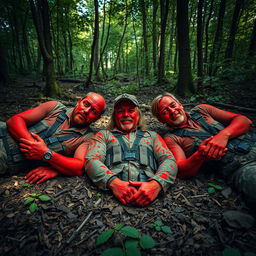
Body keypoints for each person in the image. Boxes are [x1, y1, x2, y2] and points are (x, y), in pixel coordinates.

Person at [151, 92, 256, 204]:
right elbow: (181, 170)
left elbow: (244, 121)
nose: (172, 111)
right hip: (242, 167)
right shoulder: (172, 138)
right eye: (165, 112)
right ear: (161, 120)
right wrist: (199, 156)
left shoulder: (202, 110)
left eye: (173, 105)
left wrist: (224, 135)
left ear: (180, 104)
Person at [85, 93, 177, 206]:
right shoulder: (103, 135)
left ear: (138, 114)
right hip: (111, 201)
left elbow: (168, 160)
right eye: (120, 111)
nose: (126, 114)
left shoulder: (152, 136)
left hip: (152, 201)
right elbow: (92, 159)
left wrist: (157, 184)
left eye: (131, 110)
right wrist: (114, 183)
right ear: (114, 116)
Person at [0, 92, 106, 184]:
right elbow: (15, 120)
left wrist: (48, 156)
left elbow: (79, 167)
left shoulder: (87, 138)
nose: (86, 111)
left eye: (94, 111)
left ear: (97, 118)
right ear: (78, 102)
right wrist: (33, 145)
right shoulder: (55, 107)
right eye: (86, 104)